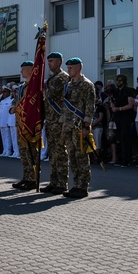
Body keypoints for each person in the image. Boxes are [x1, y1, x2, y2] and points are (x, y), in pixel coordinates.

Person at [62, 57, 96, 199]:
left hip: (79, 126)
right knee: (72, 156)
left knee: (81, 157)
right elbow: (65, 107)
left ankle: (83, 187)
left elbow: (90, 106)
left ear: (78, 68)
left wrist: (86, 126)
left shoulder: (87, 85)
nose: (68, 70)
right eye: (68, 67)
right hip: (69, 126)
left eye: (71, 67)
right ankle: (75, 185)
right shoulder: (68, 85)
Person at [41, 52, 70, 194]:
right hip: (50, 120)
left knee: (60, 152)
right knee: (52, 153)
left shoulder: (62, 78)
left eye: (52, 61)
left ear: (59, 62)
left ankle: (62, 183)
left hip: (59, 120)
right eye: (48, 61)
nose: (49, 64)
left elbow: (49, 95)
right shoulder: (52, 78)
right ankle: (53, 181)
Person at [13, 61, 42, 190]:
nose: (21, 72)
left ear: (31, 70)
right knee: (23, 153)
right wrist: (13, 108)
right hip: (20, 123)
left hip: (29, 124)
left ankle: (33, 179)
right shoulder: (21, 87)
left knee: (31, 152)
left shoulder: (35, 87)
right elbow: (16, 102)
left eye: (23, 69)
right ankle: (26, 177)